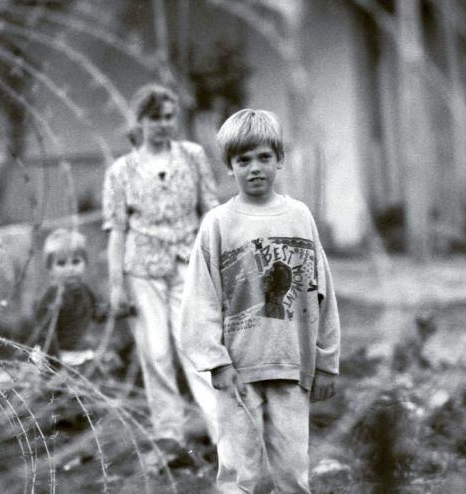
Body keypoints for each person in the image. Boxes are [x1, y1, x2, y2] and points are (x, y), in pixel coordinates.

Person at [179, 108, 341, 493]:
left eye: (264, 157)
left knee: (293, 472)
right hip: (238, 371)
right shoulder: (218, 224)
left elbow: (323, 292)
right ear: (229, 167)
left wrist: (327, 360)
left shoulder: (299, 217)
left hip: (291, 366)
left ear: (280, 159)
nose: (255, 168)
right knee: (239, 473)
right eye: (243, 160)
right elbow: (199, 298)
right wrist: (215, 361)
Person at [102, 83, 221, 454]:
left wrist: (215, 262)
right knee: (155, 351)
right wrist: (117, 285)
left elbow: (210, 211)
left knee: (195, 345)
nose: (164, 124)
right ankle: (169, 432)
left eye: (170, 117)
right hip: (143, 269)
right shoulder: (121, 171)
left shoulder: (192, 156)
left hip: (188, 262)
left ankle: (223, 432)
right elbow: (117, 231)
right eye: (156, 118)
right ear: (139, 121)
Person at [28, 227, 97, 369]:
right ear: (50, 268)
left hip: (77, 352)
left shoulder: (84, 290)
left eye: (76, 262)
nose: (70, 269)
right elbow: (46, 335)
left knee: (84, 386)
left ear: (85, 263)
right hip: (55, 355)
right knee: (56, 389)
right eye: (61, 263)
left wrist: (119, 310)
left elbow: (95, 312)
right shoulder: (52, 298)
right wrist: (56, 365)